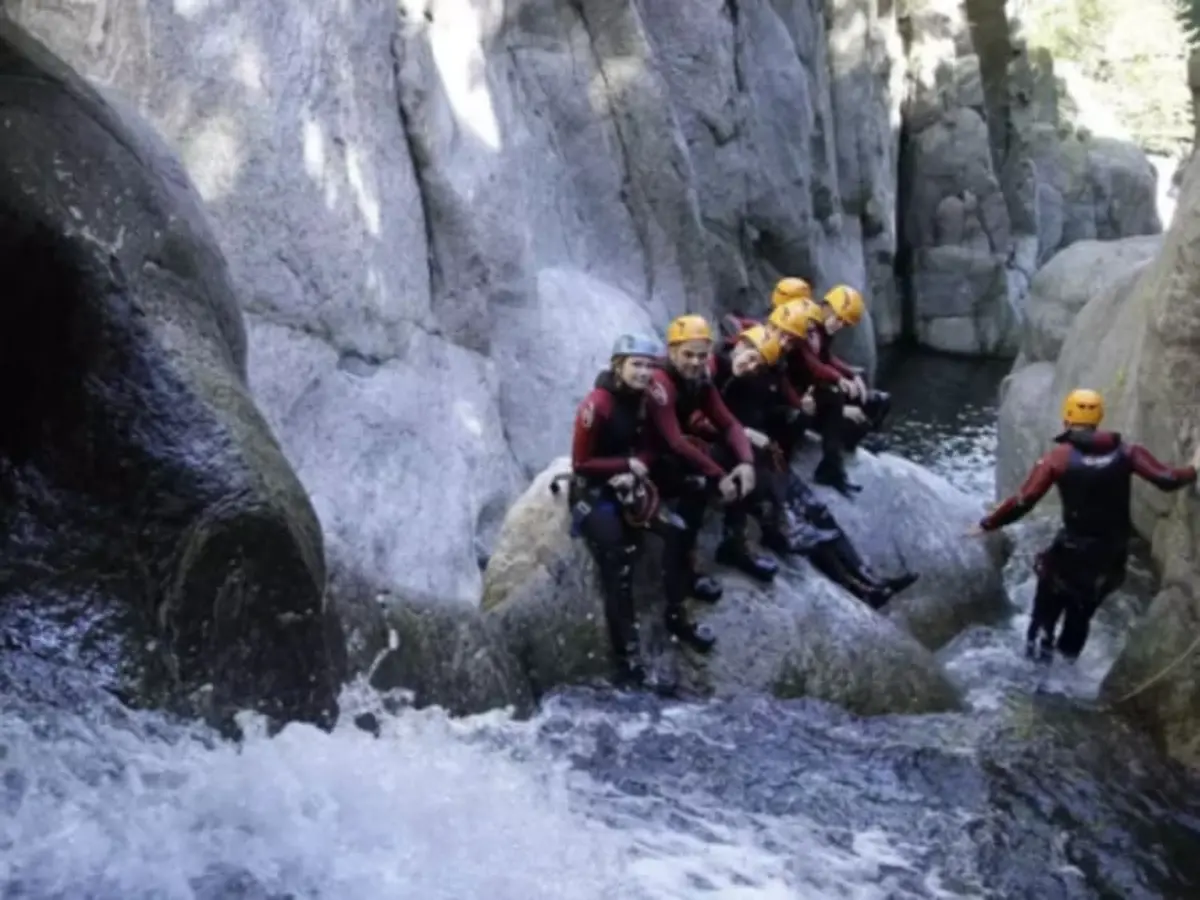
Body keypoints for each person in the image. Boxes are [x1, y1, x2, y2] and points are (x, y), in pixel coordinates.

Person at [971, 388, 1200, 662]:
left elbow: (1025, 499)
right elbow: (1167, 478)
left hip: (1070, 554)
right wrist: (1195, 469)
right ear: (1099, 418)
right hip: (1109, 558)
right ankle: (1066, 672)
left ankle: (1037, 676)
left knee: (1045, 616)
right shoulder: (1127, 452)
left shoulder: (1059, 458)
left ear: (1066, 418)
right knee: (1081, 615)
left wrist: (988, 524)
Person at [701, 325, 917, 608]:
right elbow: (705, 422)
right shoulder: (715, 369)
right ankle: (858, 587)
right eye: (750, 357)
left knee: (818, 513)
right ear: (740, 344)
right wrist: (747, 434)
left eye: (757, 362)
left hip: (762, 454)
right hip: (742, 459)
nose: (750, 365)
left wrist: (794, 413)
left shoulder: (757, 376)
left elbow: (768, 407)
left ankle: (868, 577)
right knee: (801, 524)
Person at [644, 314, 772, 653]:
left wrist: (744, 463)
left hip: (670, 458)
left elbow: (728, 424)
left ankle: (729, 545)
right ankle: (676, 610)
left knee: (735, 462)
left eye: (702, 355)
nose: (696, 362)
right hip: (646, 462)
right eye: (688, 355)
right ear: (672, 351)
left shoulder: (700, 379)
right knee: (685, 512)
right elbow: (673, 441)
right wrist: (718, 474)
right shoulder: (660, 383)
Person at [568, 332, 673, 685]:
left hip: (626, 480)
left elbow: (651, 446)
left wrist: (635, 466)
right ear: (618, 366)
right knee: (618, 561)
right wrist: (624, 468)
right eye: (637, 365)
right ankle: (627, 655)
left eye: (649, 366)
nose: (644, 373)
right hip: (594, 491)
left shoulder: (645, 399)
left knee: (670, 532)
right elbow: (581, 463)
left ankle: (672, 620)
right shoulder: (596, 405)